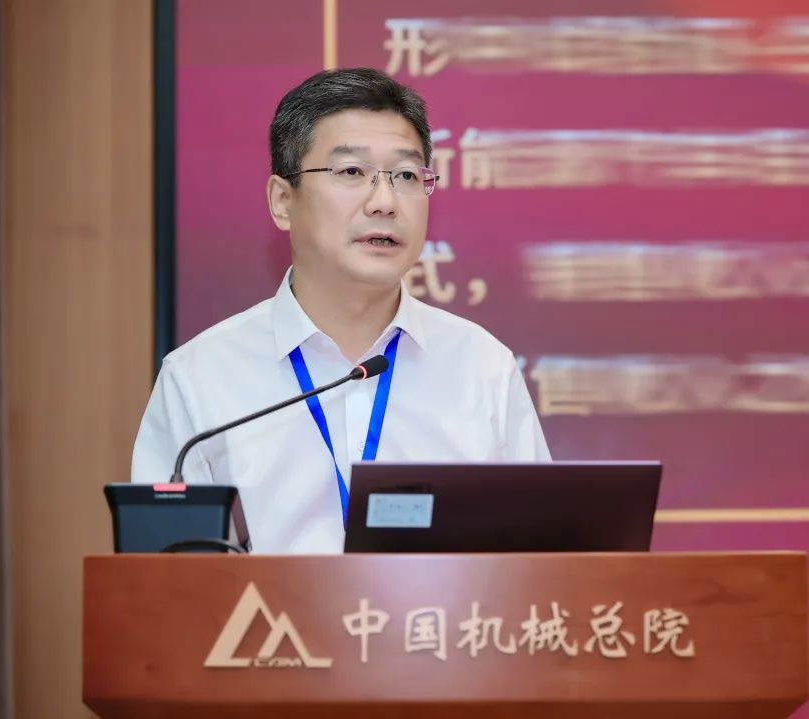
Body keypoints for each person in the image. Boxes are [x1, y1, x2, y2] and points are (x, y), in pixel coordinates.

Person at [131, 68, 550, 553]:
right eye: (352, 172)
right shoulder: (201, 377)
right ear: (282, 201)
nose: (384, 202)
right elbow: (164, 578)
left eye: (406, 176)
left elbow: (541, 559)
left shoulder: (481, 366)